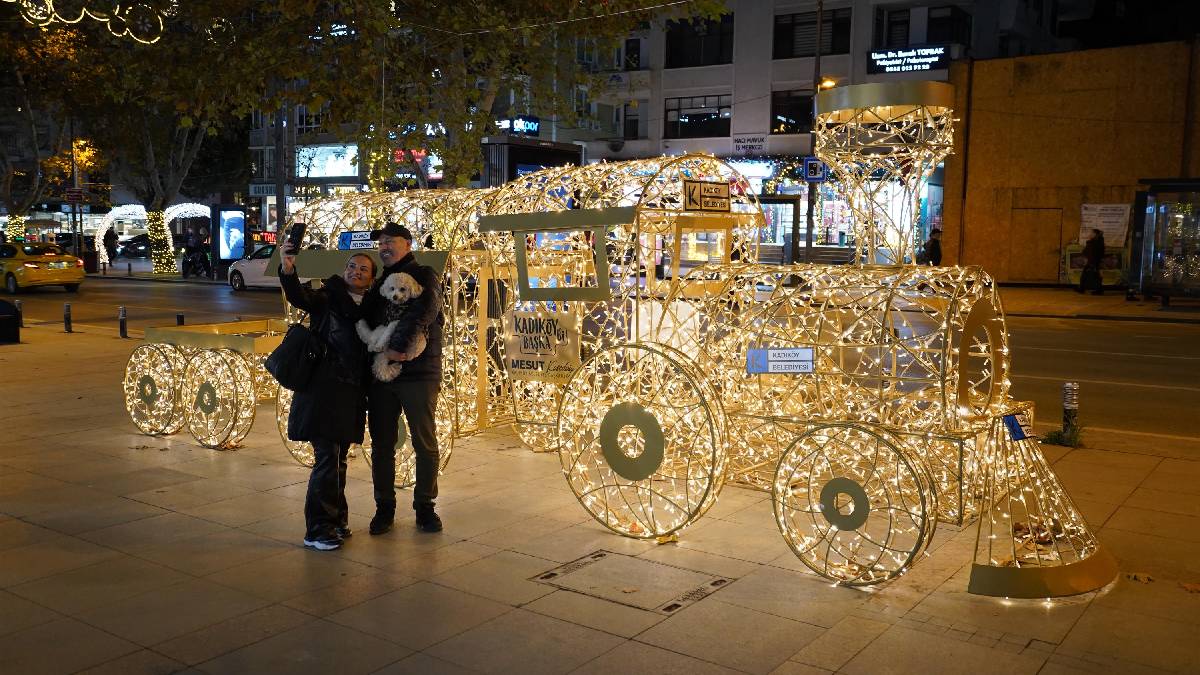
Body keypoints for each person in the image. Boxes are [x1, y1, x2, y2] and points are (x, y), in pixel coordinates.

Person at [279, 242, 376, 551]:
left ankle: (336, 519)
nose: (355, 272)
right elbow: (299, 297)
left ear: (371, 279)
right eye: (352, 266)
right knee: (327, 457)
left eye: (363, 269)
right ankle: (318, 529)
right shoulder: (328, 297)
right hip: (323, 388)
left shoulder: (371, 308)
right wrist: (288, 268)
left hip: (349, 392)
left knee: (338, 459)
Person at [362, 222, 445, 535]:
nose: (383, 246)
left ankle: (425, 507)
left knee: (424, 441)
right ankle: (384, 507)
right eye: (380, 242)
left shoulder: (424, 275)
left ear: (407, 243)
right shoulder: (379, 282)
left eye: (390, 241)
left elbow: (424, 310)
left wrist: (397, 348)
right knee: (382, 443)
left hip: (419, 373)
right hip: (382, 375)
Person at [1079, 228, 1106, 295]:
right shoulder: (1098, 241)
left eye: (1091, 233)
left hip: (1094, 261)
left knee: (1095, 275)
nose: (1089, 234)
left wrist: (1092, 262)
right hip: (1093, 261)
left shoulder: (1096, 242)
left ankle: (1098, 290)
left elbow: (1093, 252)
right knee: (1089, 275)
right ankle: (1082, 288)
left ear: (1095, 234)